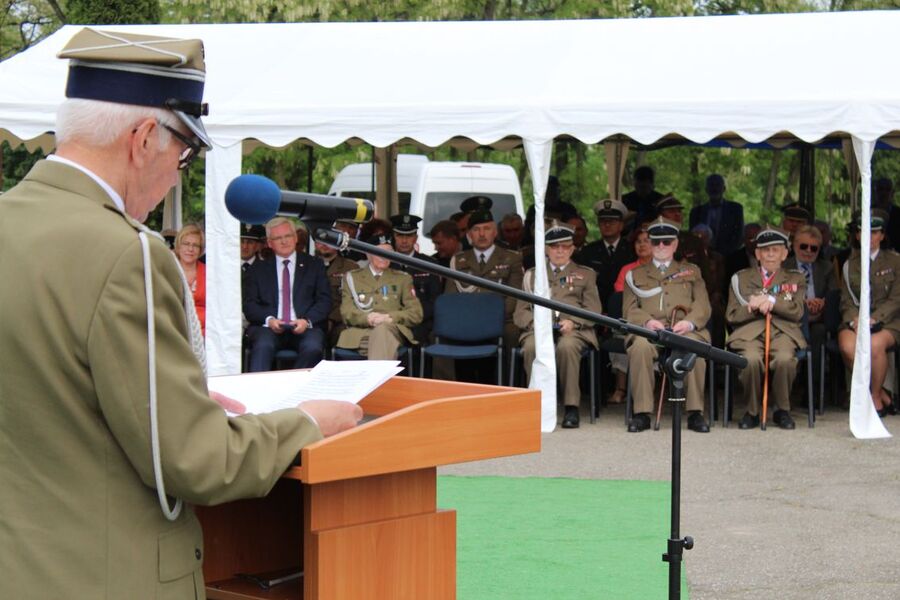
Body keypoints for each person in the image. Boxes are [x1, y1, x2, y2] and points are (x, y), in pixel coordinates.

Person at [0, 28, 361, 599]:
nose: (177, 174)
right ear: (144, 137)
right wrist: (311, 421)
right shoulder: (129, 252)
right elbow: (195, 462)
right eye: (184, 153)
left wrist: (173, 400)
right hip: (109, 575)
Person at [623, 218, 711, 433]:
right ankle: (642, 413)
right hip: (650, 331)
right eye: (656, 242)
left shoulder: (692, 272)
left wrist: (689, 323)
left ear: (675, 244)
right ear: (650, 244)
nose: (661, 246)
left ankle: (695, 413)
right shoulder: (634, 275)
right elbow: (629, 309)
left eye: (666, 242)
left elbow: (703, 305)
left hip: (683, 329)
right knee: (640, 347)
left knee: (695, 349)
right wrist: (647, 322)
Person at [514, 223, 602, 429]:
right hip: (539, 328)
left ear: (572, 248)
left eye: (565, 246)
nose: (560, 251)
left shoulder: (586, 274)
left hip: (574, 329)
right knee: (532, 347)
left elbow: (594, 309)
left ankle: (571, 407)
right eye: (554, 247)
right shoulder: (533, 275)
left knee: (567, 347)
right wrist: (535, 324)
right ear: (546, 249)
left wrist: (575, 322)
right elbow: (520, 311)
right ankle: (537, 405)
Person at [726, 226, 807, 430]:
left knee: (784, 360)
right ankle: (752, 412)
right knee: (750, 361)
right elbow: (731, 315)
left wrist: (772, 301)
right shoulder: (740, 278)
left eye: (776, 249)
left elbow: (797, 311)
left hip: (783, 332)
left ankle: (782, 410)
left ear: (784, 254)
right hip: (749, 333)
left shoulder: (796, 278)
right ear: (757, 254)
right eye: (765, 250)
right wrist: (752, 306)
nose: (770, 254)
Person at [243, 217, 331, 372]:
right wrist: (269, 320)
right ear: (270, 243)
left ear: (296, 238)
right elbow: (249, 304)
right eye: (278, 238)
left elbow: (324, 300)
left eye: (288, 236)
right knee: (263, 346)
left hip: (305, 326)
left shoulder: (314, 265)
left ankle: (293, 388)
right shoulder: (258, 269)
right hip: (268, 327)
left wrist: (306, 321)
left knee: (313, 347)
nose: (284, 241)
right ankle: (257, 392)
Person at [446, 209, 524, 382]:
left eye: (487, 229)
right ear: (468, 235)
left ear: (495, 232)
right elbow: (451, 298)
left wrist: (490, 319)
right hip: (467, 321)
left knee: (512, 334)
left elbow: (516, 297)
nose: (482, 234)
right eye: (476, 230)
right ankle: (453, 390)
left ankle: (507, 387)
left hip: (502, 320)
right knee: (450, 334)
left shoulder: (512, 258)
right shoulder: (458, 261)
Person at [838, 209, 900, 417]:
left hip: (889, 321)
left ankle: (874, 397)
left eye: (875, 232)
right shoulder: (849, 265)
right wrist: (854, 319)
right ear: (857, 235)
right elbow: (846, 301)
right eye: (864, 232)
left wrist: (876, 318)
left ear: (882, 235)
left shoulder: (895, 261)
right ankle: (881, 393)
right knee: (848, 347)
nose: (870, 237)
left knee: (874, 345)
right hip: (857, 321)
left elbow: (897, 299)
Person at [337, 233, 423, 360]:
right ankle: (384, 379)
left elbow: (416, 313)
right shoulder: (352, 278)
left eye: (389, 252)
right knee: (384, 340)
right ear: (368, 254)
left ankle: (375, 379)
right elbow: (346, 312)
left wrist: (389, 317)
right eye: (379, 252)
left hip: (392, 329)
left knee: (383, 331)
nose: (384, 257)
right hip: (361, 332)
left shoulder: (403, 278)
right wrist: (368, 318)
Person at [605, 226, 653, 404]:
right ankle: (621, 389)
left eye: (646, 241)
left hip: (656, 320)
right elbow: (620, 297)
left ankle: (652, 392)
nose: (641, 245)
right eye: (638, 241)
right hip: (630, 318)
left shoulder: (662, 269)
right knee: (624, 337)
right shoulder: (628, 269)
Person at [389, 213, 443, 343]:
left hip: (421, 321)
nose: (404, 240)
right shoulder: (385, 263)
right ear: (393, 237)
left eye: (409, 235)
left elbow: (434, 300)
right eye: (400, 235)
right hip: (392, 320)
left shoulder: (429, 264)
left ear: (416, 238)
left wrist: (412, 317)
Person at [575, 199, 637, 305]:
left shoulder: (632, 249)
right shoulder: (588, 251)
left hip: (625, 308)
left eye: (612, 221)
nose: (607, 225)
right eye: (603, 221)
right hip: (595, 309)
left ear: (621, 225)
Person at [313, 233, 359, 347]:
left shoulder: (351, 267)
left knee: (346, 335)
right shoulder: (305, 265)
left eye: (330, 241)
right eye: (320, 240)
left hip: (339, 320)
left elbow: (354, 301)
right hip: (312, 318)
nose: (325, 245)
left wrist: (332, 319)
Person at [689, 174, 744, 256]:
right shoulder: (696, 212)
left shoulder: (735, 209)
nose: (715, 189)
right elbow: (692, 238)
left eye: (718, 185)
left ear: (724, 189)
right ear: (706, 189)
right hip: (702, 258)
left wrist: (723, 255)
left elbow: (739, 237)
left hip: (728, 259)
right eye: (711, 185)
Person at [174, 223, 207, 334]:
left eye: (195, 245)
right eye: (186, 244)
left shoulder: (208, 273)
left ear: (200, 250)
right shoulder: (168, 269)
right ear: (178, 246)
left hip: (204, 332)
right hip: (174, 329)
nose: (190, 249)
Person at [873, 177, 900, 252]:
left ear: (892, 193)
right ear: (875, 191)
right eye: (880, 189)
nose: (883, 193)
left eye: (887, 189)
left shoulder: (898, 214)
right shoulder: (867, 213)